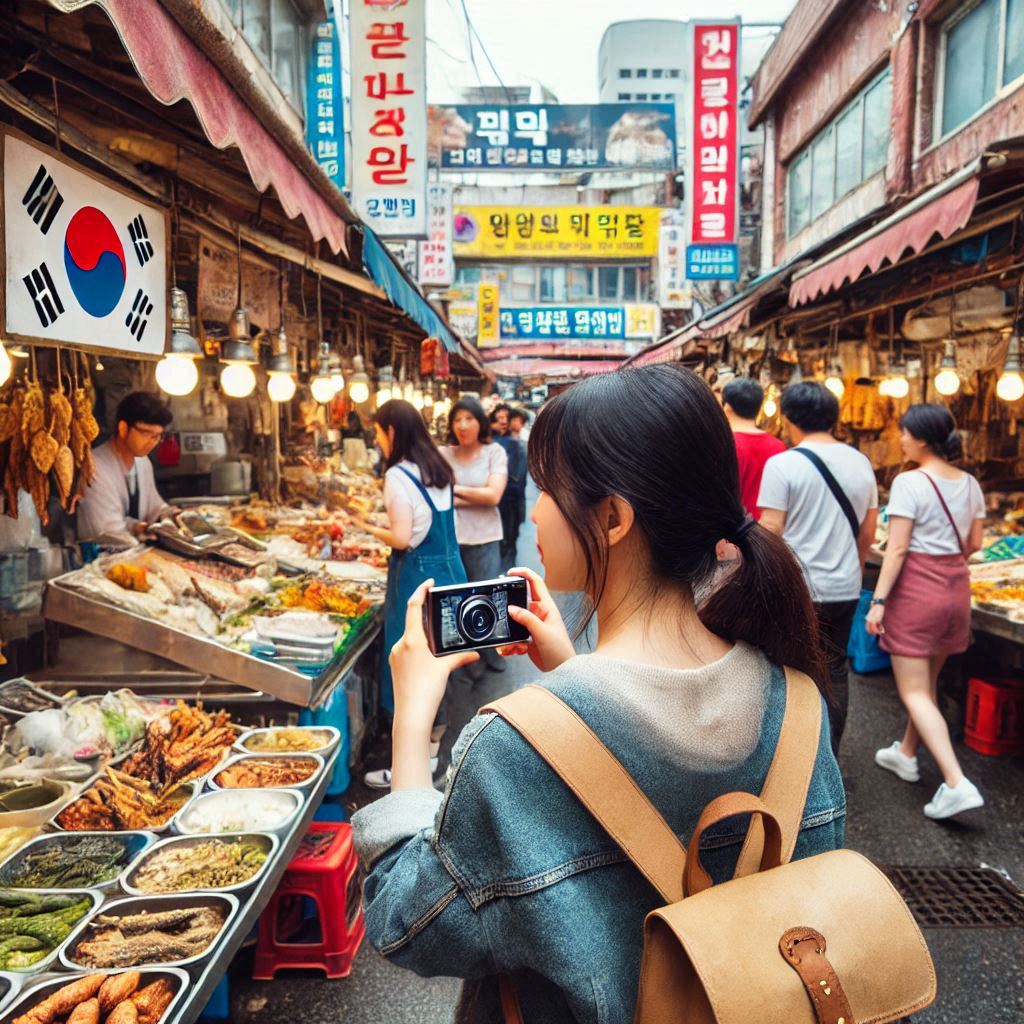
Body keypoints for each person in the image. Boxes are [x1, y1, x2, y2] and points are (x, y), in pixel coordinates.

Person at [351, 365, 844, 1023]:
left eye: (548, 490)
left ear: (611, 518)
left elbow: (407, 923)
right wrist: (571, 668)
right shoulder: (800, 705)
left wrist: (412, 719)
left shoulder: (511, 746)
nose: (536, 511)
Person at [866, 404, 985, 820]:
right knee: (928, 683)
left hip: (918, 592)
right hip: (956, 590)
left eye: (903, 432)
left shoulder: (909, 482)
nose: (899, 438)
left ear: (920, 438)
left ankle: (956, 783)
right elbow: (974, 544)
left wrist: (878, 600)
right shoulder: (970, 483)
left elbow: (896, 548)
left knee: (914, 691)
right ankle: (906, 753)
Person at [758, 381, 878, 756]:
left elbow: (771, 530)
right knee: (835, 670)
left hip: (796, 587)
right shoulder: (861, 462)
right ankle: (829, 754)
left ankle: (793, 759)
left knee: (789, 670)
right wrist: (852, 573)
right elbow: (869, 533)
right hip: (843, 586)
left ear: (790, 418)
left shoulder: (783, 464)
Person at [356, 399, 467, 789]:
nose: (376, 440)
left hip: (417, 580)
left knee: (409, 668)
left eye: (377, 432)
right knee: (439, 665)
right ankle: (433, 760)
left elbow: (403, 538)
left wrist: (366, 526)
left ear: (391, 432)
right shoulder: (436, 467)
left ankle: (409, 771)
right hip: (451, 574)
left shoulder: (398, 476)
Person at [441, 397, 508, 676]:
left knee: (485, 601)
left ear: (480, 422)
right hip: (452, 539)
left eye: (469, 418)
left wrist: (454, 492)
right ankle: (471, 661)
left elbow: (493, 496)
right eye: (457, 419)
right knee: (457, 602)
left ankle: (491, 653)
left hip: (485, 537)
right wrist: (473, 495)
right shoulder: (444, 454)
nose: (463, 425)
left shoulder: (494, 453)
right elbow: (435, 494)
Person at [77, 392, 176, 546]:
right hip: (97, 560)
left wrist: (171, 515)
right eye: (146, 433)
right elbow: (107, 530)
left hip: (132, 554)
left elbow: (153, 506)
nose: (152, 442)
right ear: (123, 428)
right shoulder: (95, 467)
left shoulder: (143, 462)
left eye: (158, 436)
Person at [721, 377, 785, 518]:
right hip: (769, 533)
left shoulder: (725, 445)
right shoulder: (779, 446)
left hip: (735, 531)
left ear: (727, 408)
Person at [494, 411, 528, 567]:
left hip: (514, 495)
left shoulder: (519, 443)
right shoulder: (498, 443)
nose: (503, 422)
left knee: (511, 534)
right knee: (507, 535)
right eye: (499, 419)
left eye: (506, 419)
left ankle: (507, 566)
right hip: (507, 496)